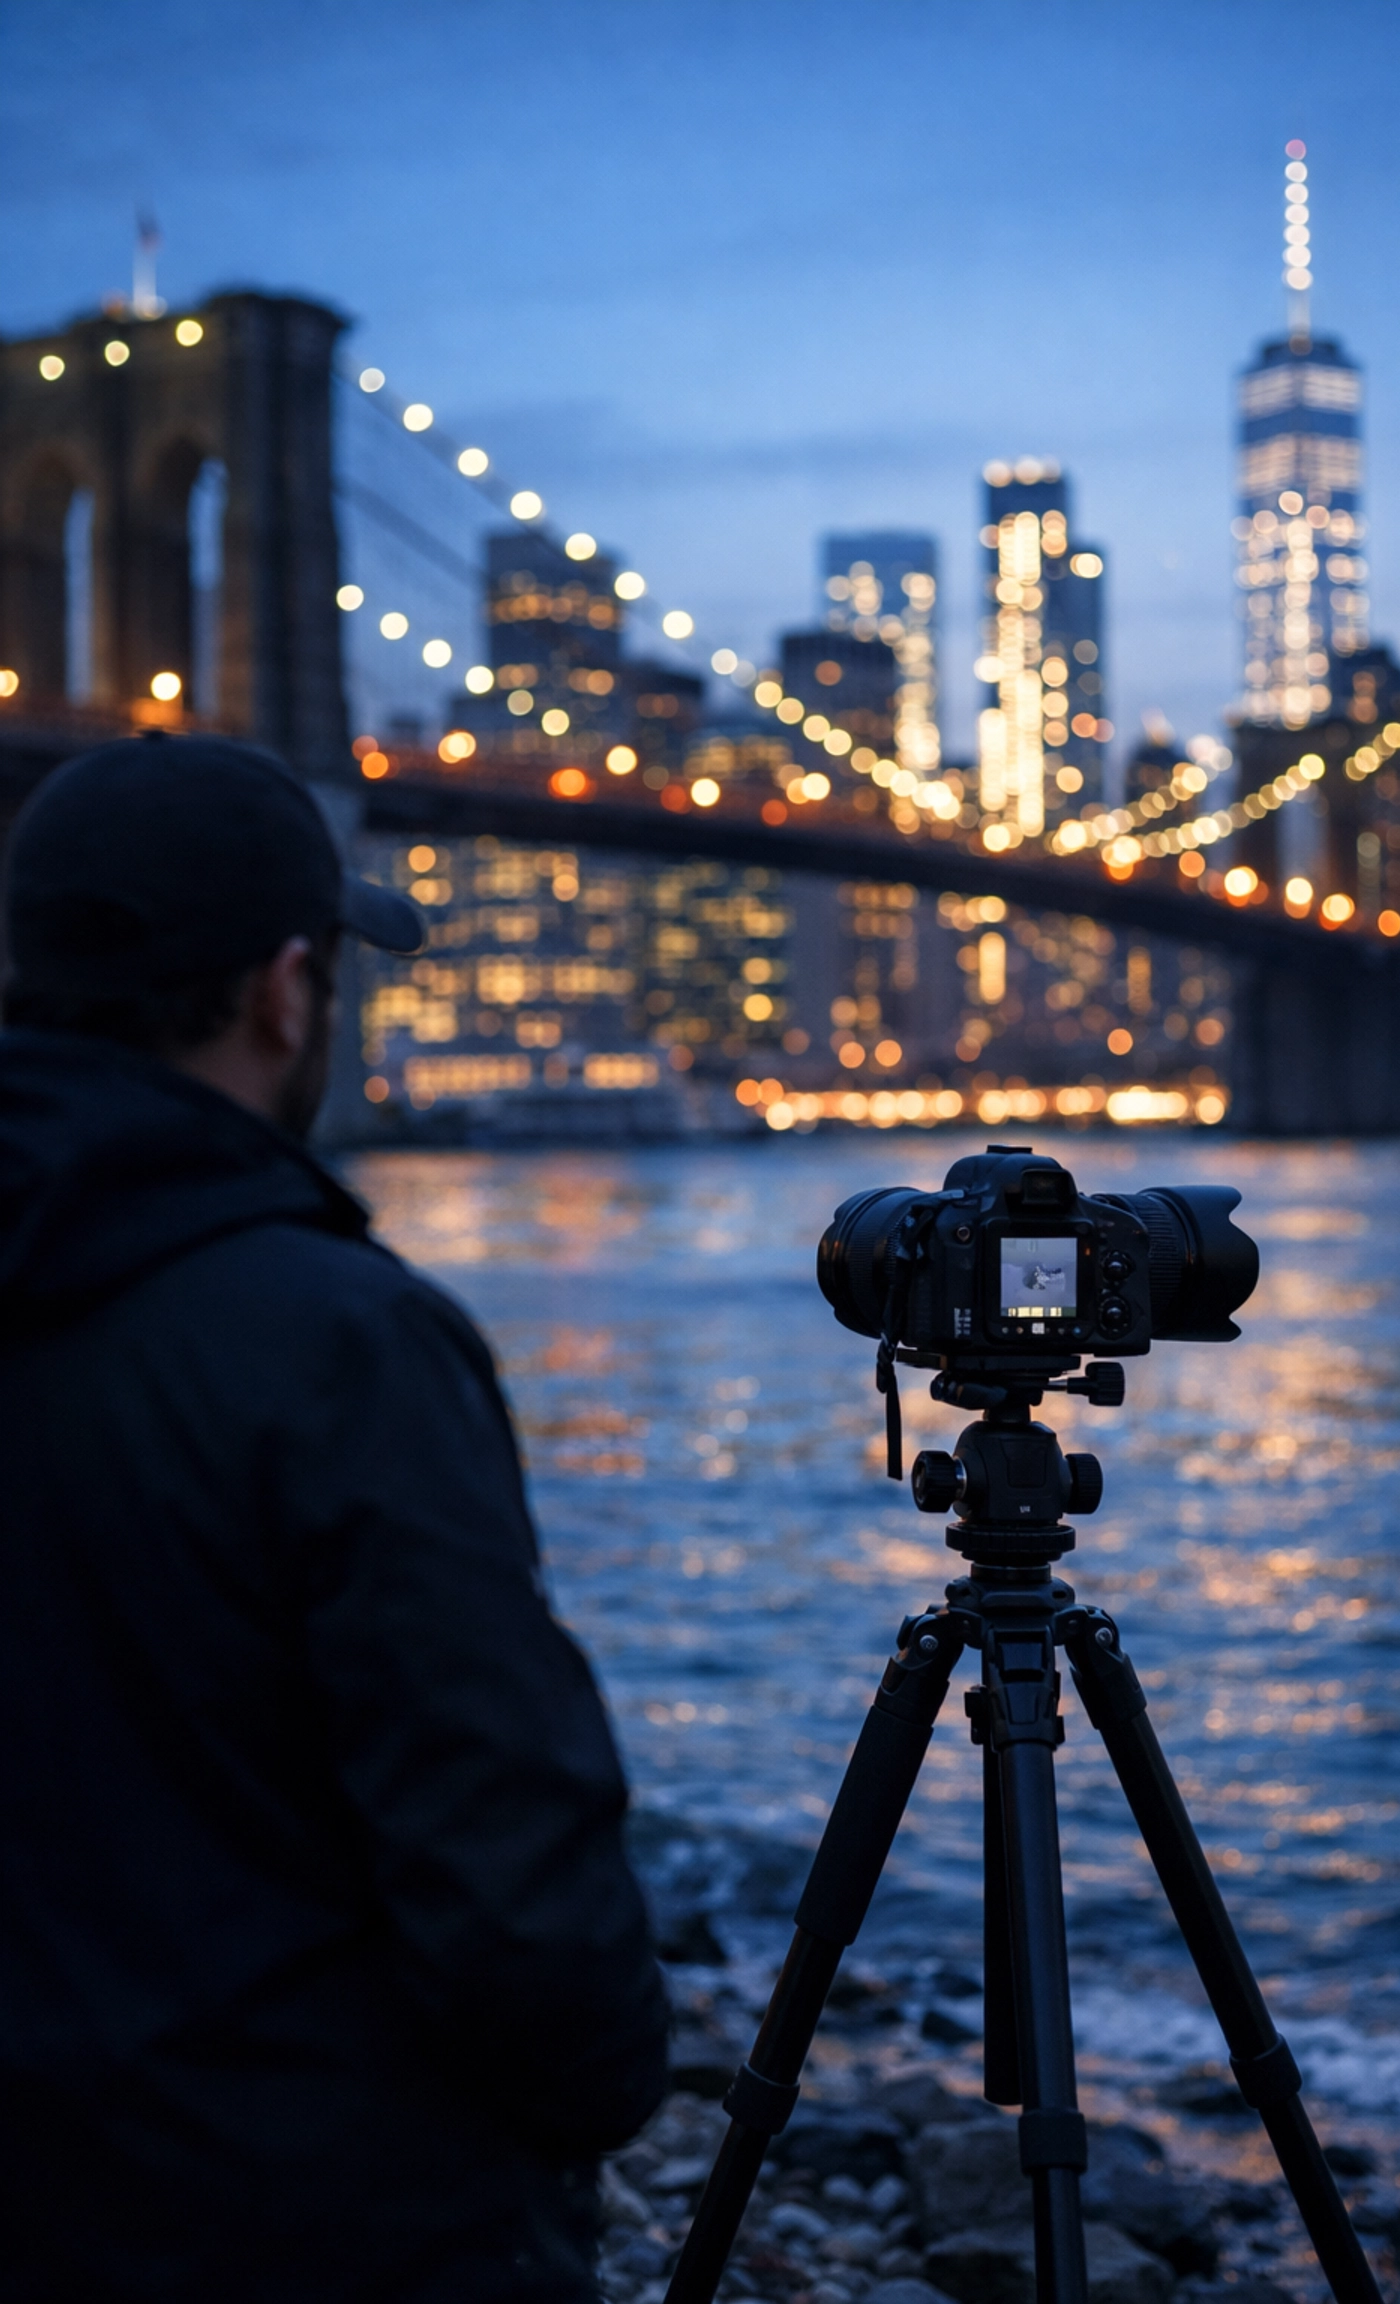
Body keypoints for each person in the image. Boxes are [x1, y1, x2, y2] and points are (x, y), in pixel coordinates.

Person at [0, 735, 669, 2302]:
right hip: (301, 2221)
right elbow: (504, 1843)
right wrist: (593, 2099)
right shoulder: (337, 1342)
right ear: (285, 992)